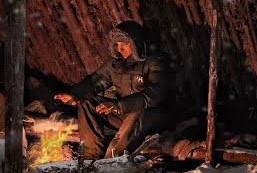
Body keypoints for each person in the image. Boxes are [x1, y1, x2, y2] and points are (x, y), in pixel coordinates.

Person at [54, 20, 172, 159]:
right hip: (125, 112)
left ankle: (111, 161)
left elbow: (156, 94)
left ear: (135, 43)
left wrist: (119, 105)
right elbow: (96, 81)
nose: (120, 48)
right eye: (117, 44)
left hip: (154, 115)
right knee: (87, 104)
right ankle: (90, 158)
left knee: (137, 112)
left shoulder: (154, 62)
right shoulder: (116, 63)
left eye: (124, 44)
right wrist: (75, 95)